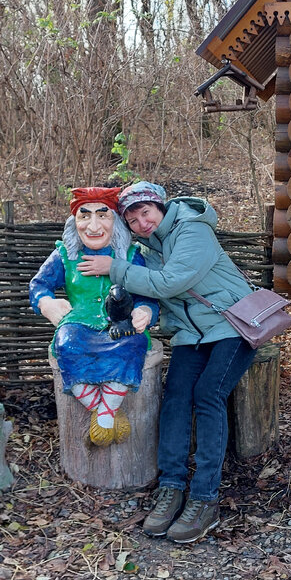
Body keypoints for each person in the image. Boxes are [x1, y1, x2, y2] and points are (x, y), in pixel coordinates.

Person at [79, 181, 256, 544]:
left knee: (208, 395)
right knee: (174, 398)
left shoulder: (193, 229)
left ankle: (205, 499)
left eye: (145, 213)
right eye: (132, 219)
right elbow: (146, 294)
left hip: (233, 326)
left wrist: (113, 268)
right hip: (192, 334)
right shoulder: (149, 247)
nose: (141, 223)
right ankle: (172, 486)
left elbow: (170, 283)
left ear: (160, 207)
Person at [29, 187, 158, 446]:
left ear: (116, 222)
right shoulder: (65, 255)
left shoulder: (131, 256)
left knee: (134, 343)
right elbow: (39, 284)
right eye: (84, 216)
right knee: (66, 345)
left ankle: (104, 414)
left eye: (103, 216)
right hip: (78, 324)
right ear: (74, 222)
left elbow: (147, 294)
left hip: (120, 323)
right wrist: (46, 303)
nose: (93, 225)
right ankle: (107, 413)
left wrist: (145, 311)